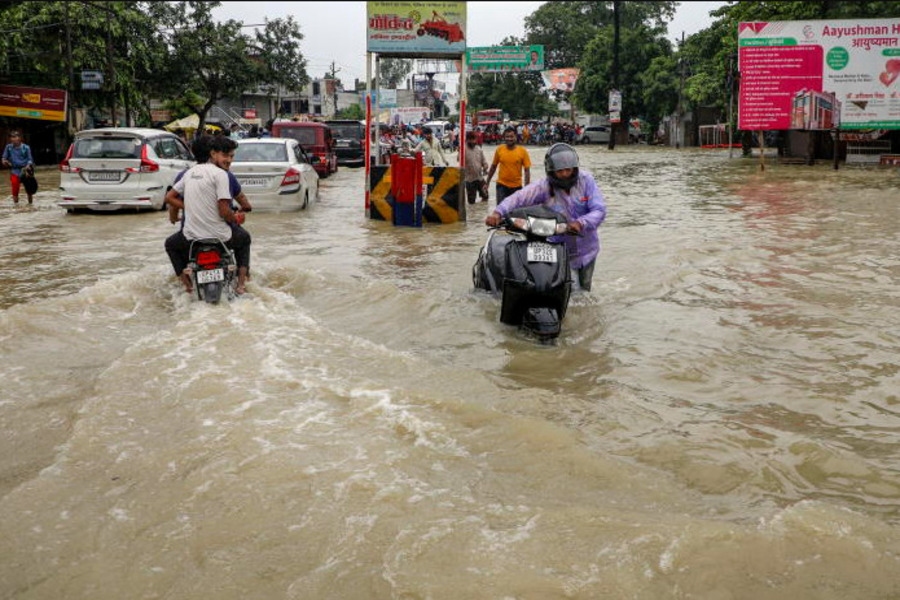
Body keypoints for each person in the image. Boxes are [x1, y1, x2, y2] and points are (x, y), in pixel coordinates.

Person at [485, 143, 606, 291]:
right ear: (551, 171)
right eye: (560, 171)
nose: (565, 174)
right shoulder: (544, 186)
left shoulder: (586, 181)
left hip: (588, 249)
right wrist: (498, 212)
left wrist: (581, 223)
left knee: (586, 289)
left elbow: (599, 210)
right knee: (573, 291)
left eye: (568, 169)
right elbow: (518, 198)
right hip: (560, 250)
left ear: (575, 168)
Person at [164, 136, 252, 294]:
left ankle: (187, 286)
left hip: (191, 237)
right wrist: (236, 217)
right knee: (245, 239)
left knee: (170, 244)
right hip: (221, 236)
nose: (229, 160)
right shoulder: (222, 175)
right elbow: (224, 211)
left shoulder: (188, 173)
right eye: (226, 155)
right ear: (213, 154)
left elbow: (169, 199)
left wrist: (189, 208)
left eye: (231, 156)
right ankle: (241, 284)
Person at [485, 126, 531, 204]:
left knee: (515, 212)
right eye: (507, 137)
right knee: (501, 211)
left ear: (516, 137)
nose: (509, 139)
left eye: (511, 136)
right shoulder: (499, 149)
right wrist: (487, 182)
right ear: (504, 137)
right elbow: (493, 167)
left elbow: (527, 171)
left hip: (517, 187)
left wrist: (526, 188)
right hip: (501, 186)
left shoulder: (523, 151)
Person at [2, 131, 35, 204]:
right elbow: (4, 157)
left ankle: (30, 205)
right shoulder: (8, 147)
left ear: (19, 138)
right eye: (12, 137)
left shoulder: (26, 147)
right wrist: (4, 161)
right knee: (15, 190)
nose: (13, 139)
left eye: (15, 137)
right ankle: (16, 207)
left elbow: (30, 159)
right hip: (15, 171)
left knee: (29, 191)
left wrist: (28, 165)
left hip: (26, 171)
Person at [460, 131, 488, 204]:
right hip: (469, 180)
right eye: (471, 139)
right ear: (467, 140)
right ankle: (473, 214)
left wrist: (485, 166)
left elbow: (484, 161)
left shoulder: (479, 149)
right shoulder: (463, 150)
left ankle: (481, 213)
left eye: (474, 139)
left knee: (486, 196)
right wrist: (460, 151)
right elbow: (459, 160)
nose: (473, 141)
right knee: (471, 202)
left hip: (480, 178)